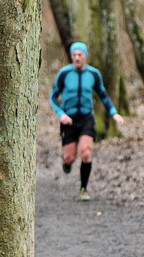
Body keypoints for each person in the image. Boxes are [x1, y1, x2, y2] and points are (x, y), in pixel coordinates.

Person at [49, 41, 124, 201]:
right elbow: (53, 96)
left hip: (86, 119)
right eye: (74, 55)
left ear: (85, 56)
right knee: (70, 157)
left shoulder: (93, 74)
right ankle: (67, 163)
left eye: (80, 55)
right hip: (68, 120)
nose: (77, 58)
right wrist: (61, 114)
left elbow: (103, 95)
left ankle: (83, 189)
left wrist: (114, 113)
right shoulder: (64, 73)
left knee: (86, 152)